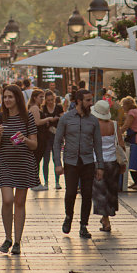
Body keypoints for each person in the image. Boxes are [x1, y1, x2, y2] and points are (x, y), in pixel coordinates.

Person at [0, 84, 39, 255]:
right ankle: (7, 237)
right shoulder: (0, 118)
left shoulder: (28, 118)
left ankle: (17, 241)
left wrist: (24, 139)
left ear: (18, 98)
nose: (7, 100)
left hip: (23, 163)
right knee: (7, 200)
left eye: (10, 97)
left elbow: (34, 145)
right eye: (5, 97)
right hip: (4, 163)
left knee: (19, 203)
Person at [53, 89, 104, 239]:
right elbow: (57, 142)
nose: (91, 103)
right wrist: (58, 163)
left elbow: (98, 144)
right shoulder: (66, 118)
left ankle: (83, 225)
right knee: (70, 193)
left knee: (87, 194)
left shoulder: (93, 120)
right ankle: (68, 216)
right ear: (79, 101)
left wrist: (100, 165)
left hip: (88, 161)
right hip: (71, 161)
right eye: (88, 100)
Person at [91, 100, 124, 233]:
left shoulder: (93, 125)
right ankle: (107, 217)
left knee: (100, 192)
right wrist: (123, 163)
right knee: (111, 191)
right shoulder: (114, 125)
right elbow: (121, 144)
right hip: (113, 162)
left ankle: (105, 220)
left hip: (97, 163)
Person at [120, 96, 137, 190]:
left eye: (123, 105)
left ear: (127, 105)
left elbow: (126, 125)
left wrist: (118, 133)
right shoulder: (135, 111)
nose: (122, 107)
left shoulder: (131, 113)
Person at [40, 89, 63, 189]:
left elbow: (63, 120)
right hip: (46, 137)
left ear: (54, 99)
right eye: (48, 100)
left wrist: (57, 120)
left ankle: (57, 182)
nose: (50, 102)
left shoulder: (59, 107)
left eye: (51, 100)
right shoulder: (43, 108)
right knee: (46, 159)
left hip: (57, 136)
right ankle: (46, 182)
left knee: (56, 158)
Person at [28, 89, 49, 190]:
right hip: (39, 137)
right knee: (36, 160)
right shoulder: (35, 108)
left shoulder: (33, 107)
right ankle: (35, 182)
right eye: (40, 97)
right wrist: (48, 119)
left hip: (39, 136)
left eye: (43, 97)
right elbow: (37, 122)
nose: (42, 99)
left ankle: (35, 181)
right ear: (35, 98)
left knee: (36, 160)